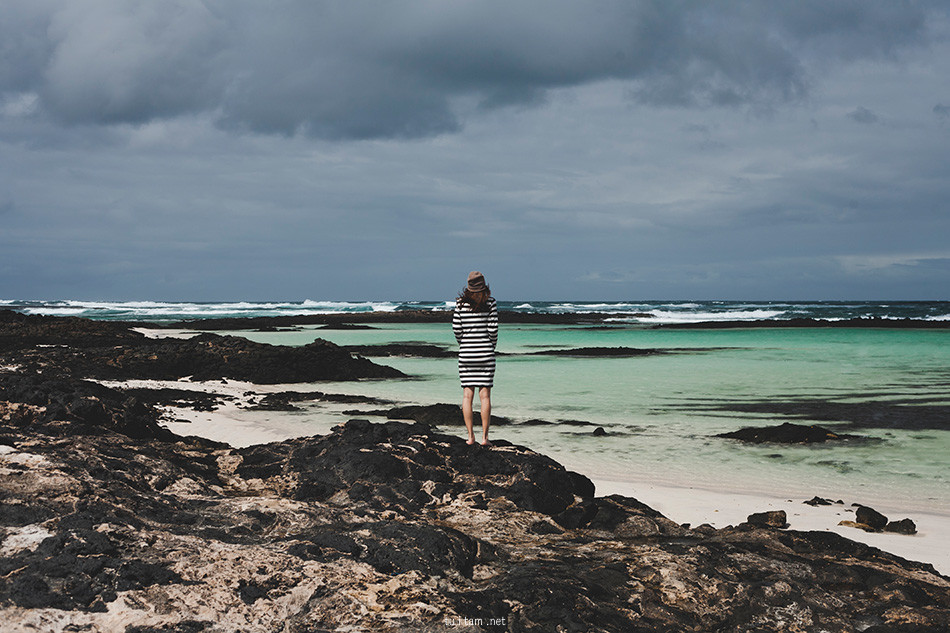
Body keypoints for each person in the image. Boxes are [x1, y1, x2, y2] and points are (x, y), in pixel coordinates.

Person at [453, 271, 498, 446]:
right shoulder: (491, 303)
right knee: (485, 396)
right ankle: (485, 438)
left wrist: (463, 344)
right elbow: (493, 330)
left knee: (467, 395)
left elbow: (457, 328)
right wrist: (490, 346)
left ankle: (470, 437)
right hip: (486, 352)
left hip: (466, 353)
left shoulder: (460, 303)